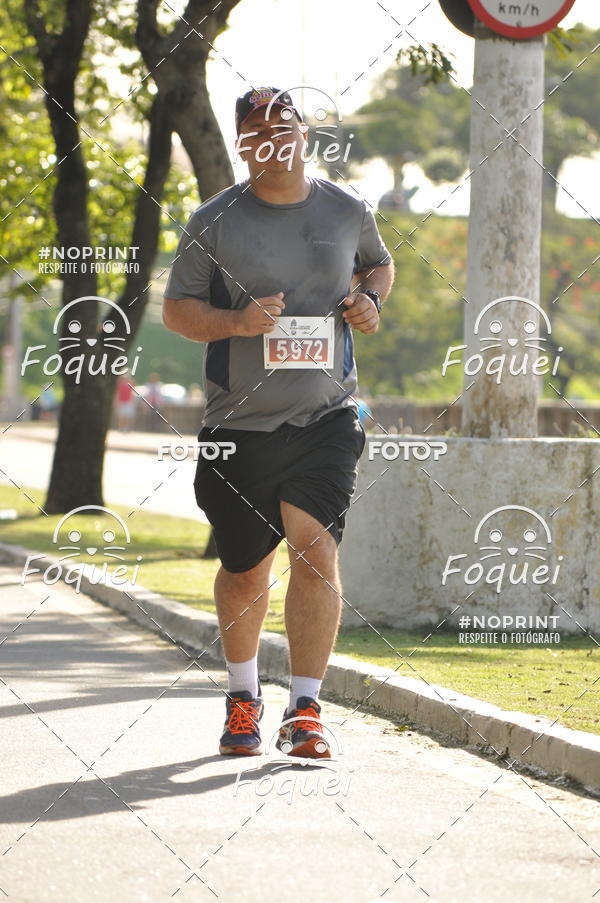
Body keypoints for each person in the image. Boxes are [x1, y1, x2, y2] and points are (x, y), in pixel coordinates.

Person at [163, 86, 394, 758]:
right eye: (257, 126)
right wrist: (236, 321)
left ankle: (306, 707)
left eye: (284, 122)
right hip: (239, 426)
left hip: (326, 416)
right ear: (243, 144)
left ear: (303, 134)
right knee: (244, 569)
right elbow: (178, 310)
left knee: (315, 552)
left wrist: (369, 300)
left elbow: (378, 264)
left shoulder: (347, 208)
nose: (273, 134)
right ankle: (243, 697)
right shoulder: (214, 221)